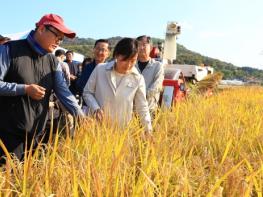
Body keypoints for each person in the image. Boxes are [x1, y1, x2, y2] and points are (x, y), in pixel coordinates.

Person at [0, 13, 84, 162]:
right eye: (57, 35)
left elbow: (63, 91)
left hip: (37, 134)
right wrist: (24, 89)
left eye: (62, 39)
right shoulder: (9, 49)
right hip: (8, 134)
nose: (59, 41)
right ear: (41, 29)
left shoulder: (53, 60)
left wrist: (81, 116)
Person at [83, 38, 152, 132]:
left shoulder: (138, 78)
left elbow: (142, 107)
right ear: (116, 55)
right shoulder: (100, 70)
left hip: (122, 132)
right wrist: (96, 108)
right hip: (97, 128)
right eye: (125, 60)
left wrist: (148, 131)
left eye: (133, 61)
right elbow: (87, 93)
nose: (128, 65)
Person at [136, 35, 164, 113]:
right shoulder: (132, 66)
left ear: (151, 47)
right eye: (138, 45)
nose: (141, 47)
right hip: (131, 111)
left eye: (144, 44)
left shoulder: (157, 66)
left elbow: (156, 87)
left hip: (149, 109)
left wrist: (138, 96)